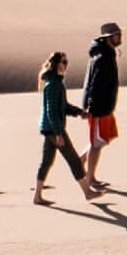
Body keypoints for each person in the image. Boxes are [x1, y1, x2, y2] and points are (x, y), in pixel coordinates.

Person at [34, 51, 95, 203]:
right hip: (53, 129)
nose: (65, 65)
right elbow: (51, 111)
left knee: (46, 161)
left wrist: (79, 112)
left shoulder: (55, 82)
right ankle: (87, 192)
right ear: (56, 64)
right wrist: (59, 133)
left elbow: (63, 106)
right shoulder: (53, 84)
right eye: (63, 62)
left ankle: (37, 196)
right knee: (74, 159)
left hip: (50, 128)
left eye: (67, 62)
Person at [79, 21, 123, 192]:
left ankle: (81, 160)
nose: (120, 38)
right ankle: (90, 178)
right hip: (98, 107)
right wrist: (89, 108)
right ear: (107, 38)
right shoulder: (102, 57)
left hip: (106, 106)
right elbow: (93, 84)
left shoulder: (106, 53)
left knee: (105, 137)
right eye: (117, 35)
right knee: (97, 143)